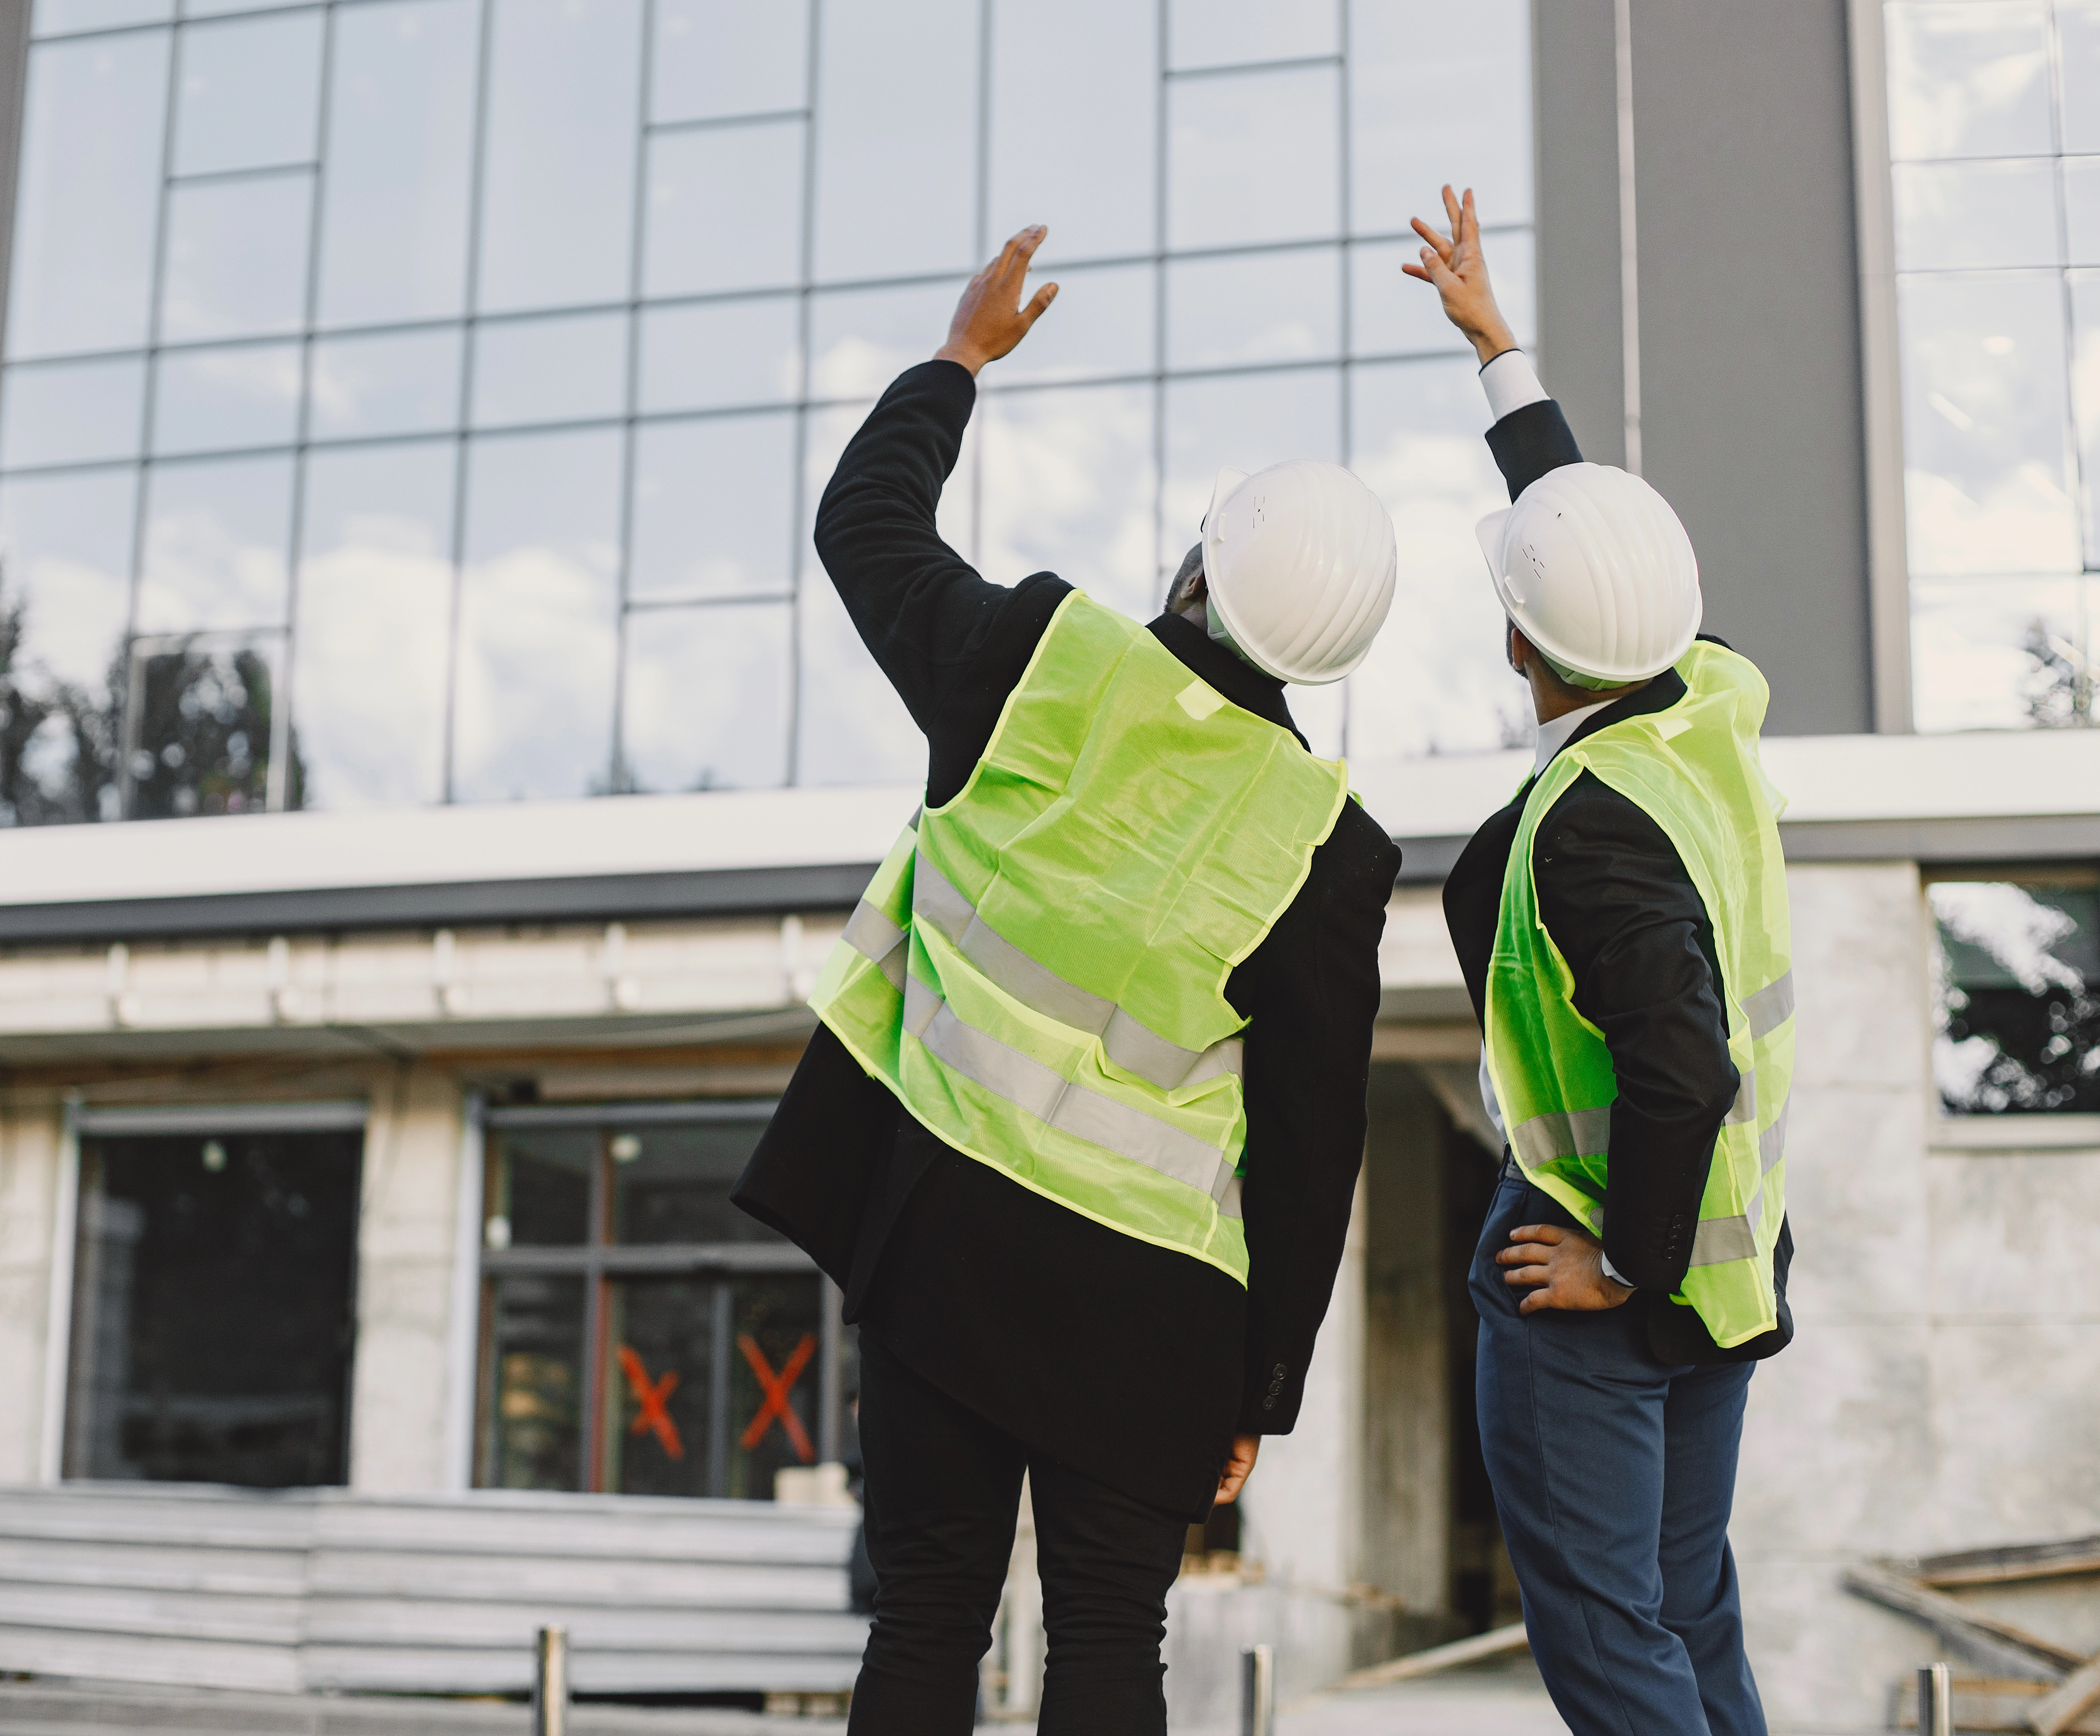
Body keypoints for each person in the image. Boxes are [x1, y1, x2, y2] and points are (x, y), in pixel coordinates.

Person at [734, 223, 1402, 1735]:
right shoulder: (1331, 846)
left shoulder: (1038, 658)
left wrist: (957, 362)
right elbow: (1311, 1151)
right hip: (1152, 1310)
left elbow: (865, 526)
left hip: (942, 1244)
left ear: (1196, 565)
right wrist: (1260, 1387)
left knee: (922, 1623)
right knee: (1111, 1641)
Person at [1404, 187, 1797, 1736]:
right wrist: (1499, 348)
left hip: (1609, 1263)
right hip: (1731, 1251)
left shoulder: (1591, 824)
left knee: (1612, 1642)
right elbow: (1590, 548)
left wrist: (1617, 1256)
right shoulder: (1701, 698)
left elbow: (1681, 1059)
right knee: (1689, 1615)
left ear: (1518, 646)